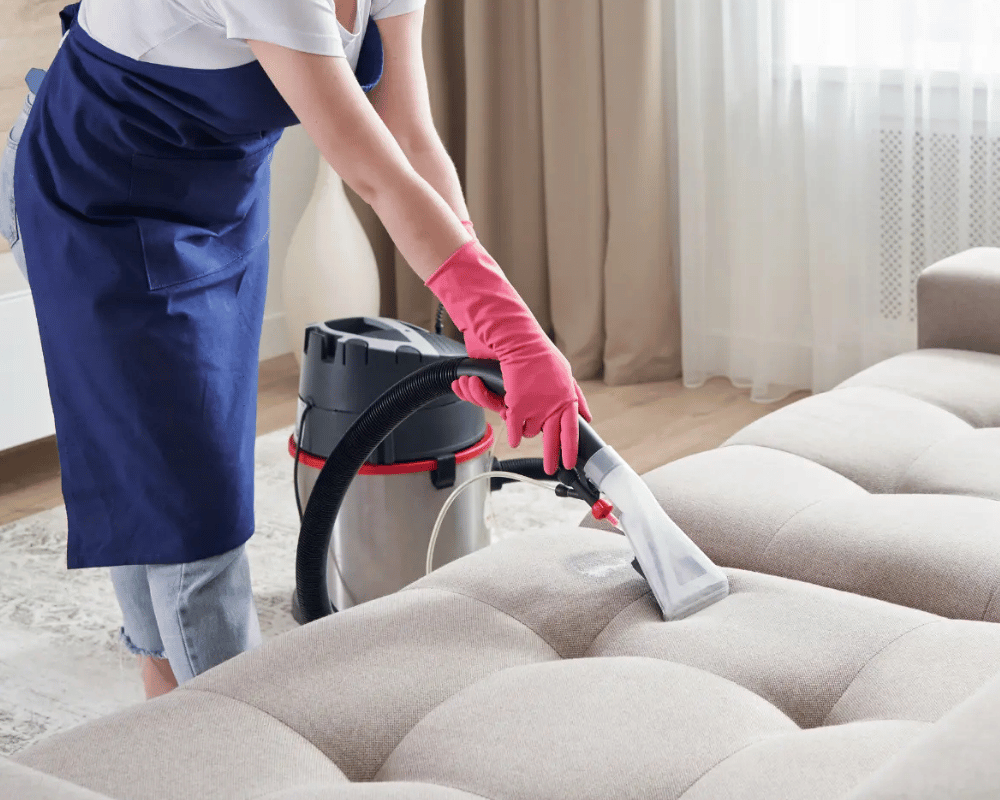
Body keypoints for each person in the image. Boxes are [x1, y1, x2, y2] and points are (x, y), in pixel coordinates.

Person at [0, 0, 591, 700]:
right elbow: (376, 173)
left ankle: (162, 698)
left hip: (215, 197)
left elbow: (411, 138)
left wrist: (479, 326)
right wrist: (512, 326)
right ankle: (250, 740)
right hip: (96, 194)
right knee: (194, 504)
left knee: (159, 459)